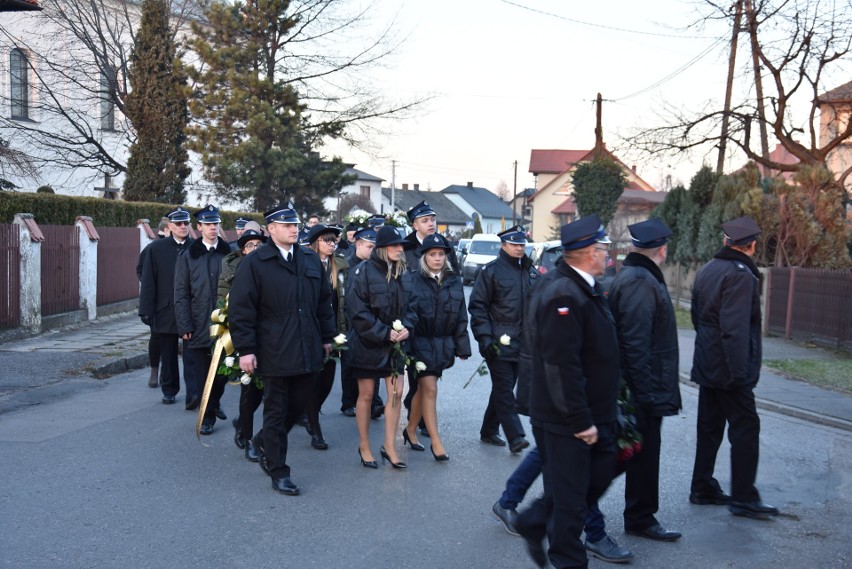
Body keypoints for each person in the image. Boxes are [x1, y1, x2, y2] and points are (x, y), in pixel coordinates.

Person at [515, 215, 620, 569]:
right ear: (590, 252)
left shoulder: (582, 285)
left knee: (599, 471)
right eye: (604, 250)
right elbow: (561, 364)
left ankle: (534, 519)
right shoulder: (563, 292)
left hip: (592, 411)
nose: (608, 256)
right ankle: (567, 560)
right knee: (572, 503)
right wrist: (579, 418)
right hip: (566, 418)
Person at [229, 205, 335, 496]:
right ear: (270, 229)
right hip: (273, 348)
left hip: (308, 345)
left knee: (300, 404)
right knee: (276, 409)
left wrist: (327, 335)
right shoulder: (256, 262)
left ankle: (264, 440)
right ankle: (278, 470)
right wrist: (246, 349)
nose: (293, 229)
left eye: (295, 224)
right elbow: (241, 309)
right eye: (285, 224)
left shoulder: (310, 260)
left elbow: (324, 302)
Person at [689, 215, 778, 519]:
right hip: (730, 369)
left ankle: (702, 486)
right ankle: (743, 497)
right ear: (751, 245)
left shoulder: (709, 269)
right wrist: (740, 373)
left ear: (726, 242)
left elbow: (697, 317)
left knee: (710, 428)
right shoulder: (740, 275)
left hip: (708, 363)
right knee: (746, 428)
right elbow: (735, 328)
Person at [344, 225, 416, 469]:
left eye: (401, 245)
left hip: (395, 347)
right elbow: (357, 312)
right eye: (395, 245)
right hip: (367, 344)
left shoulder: (404, 272)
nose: (399, 249)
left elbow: (413, 307)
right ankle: (364, 446)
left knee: (396, 394)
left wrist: (407, 327)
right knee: (365, 395)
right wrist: (385, 333)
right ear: (383, 248)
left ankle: (389, 446)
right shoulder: (361, 272)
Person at [468, 225, 538, 454]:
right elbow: (478, 307)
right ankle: (515, 435)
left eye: (522, 244)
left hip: (523, 342)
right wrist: (485, 339)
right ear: (504, 245)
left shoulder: (529, 271)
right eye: (515, 244)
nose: (520, 248)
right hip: (499, 342)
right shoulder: (491, 272)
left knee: (503, 388)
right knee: (505, 388)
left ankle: (489, 429)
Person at [404, 234, 471, 461]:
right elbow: (407, 313)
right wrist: (406, 346)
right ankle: (436, 441)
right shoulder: (413, 279)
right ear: (424, 256)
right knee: (430, 389)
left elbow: (461, 315)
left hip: (442, 344)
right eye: (432, 254)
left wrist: (462, 346)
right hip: (419, 342)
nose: (437, 258)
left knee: (423, 390)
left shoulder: (454, 280)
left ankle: (411, 430)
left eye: (441, 254)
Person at [402, 201, 461, 435]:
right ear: (415, 224)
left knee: (430, 377)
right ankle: (420, 422)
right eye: (425, 220)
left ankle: (415, 421)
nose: (431, 224)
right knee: (420, 378)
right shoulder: (406, 248)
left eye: (433, 219)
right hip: (414, 321)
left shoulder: (444, 247)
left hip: (438, 319)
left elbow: (452, 277)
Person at [174, 205, 232, 426]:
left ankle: (214, 401)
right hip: (198, 323)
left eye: (215, 224)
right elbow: (180, 292)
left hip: (226, 324)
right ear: (198, 227)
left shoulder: (229, 253)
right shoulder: (188, 255)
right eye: (208, 224)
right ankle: (207, 417)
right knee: (202, 373)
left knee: (223, 371)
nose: (213, 228)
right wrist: (184, 324)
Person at [218, 228, 266, 461]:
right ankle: (247, 436)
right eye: (250, 246)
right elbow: (223, 305)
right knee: (250, 390)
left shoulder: (269, 267)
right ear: (242, 251)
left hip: (269, 338)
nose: (255, 249)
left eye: (259, 245)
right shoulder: (234, 271)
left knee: (264, 392)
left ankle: (242, 422)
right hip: (242, 337)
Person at [139, 207, 193, 405]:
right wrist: (146, 309)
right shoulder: (156, 249)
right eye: (178, 223)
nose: (182, 226)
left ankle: (193, 393)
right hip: (165, 308)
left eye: (185, 223)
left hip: (191, 309)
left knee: (192, 354)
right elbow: (148, 280)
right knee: (168, 352)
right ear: (169, 226)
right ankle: (169, 389)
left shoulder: (195, 247)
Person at [304, 223, 349, 450]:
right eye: (326, 240)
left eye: (334, 240)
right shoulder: (305, 263)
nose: (332, 244)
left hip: (334, 331)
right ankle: (315, 426)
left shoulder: (340, 264)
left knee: (327, 381)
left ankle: (309, 412)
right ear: (315, 243)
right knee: (313, 381)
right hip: (312, 331)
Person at [339, 227, 384, 418]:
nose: (373, 251)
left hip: (372, 322)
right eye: (369, 246)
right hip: (350, 323)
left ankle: (374, 403)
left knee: (376, 363)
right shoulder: (347, 266)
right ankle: (348, 402)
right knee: (350, 365)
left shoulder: (378, 267)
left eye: (375, 247)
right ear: (358, 245)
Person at [136, 217, 171, 389]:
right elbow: (141, 269)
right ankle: (154, 370)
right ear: (164, 230)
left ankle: (168, 372)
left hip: (177, 300)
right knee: (157, 336)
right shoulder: (152, 248)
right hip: (159, 301)